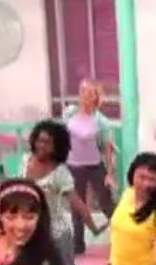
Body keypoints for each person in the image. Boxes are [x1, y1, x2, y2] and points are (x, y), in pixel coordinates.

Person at [21, 120, 102, 265]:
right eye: (40, 140)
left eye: (48, 142)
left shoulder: (61, 172)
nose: (42, 146)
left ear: (57, 146)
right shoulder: (25, 161)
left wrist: (93, 226)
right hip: (31, 232)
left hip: (58, 233)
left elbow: (76, 202)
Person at [63, 79, 117, 255]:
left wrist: (109, 174)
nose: (85, 96)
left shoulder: (101, 121)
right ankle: (78, 244)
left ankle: (122, 236)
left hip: (95, 166)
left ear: (95, 97)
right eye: (82, 91)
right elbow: (63, 137)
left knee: (106, 203)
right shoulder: (69, 113)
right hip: (73, 166)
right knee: (77, 206)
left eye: (90, 93)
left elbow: (108, 149)